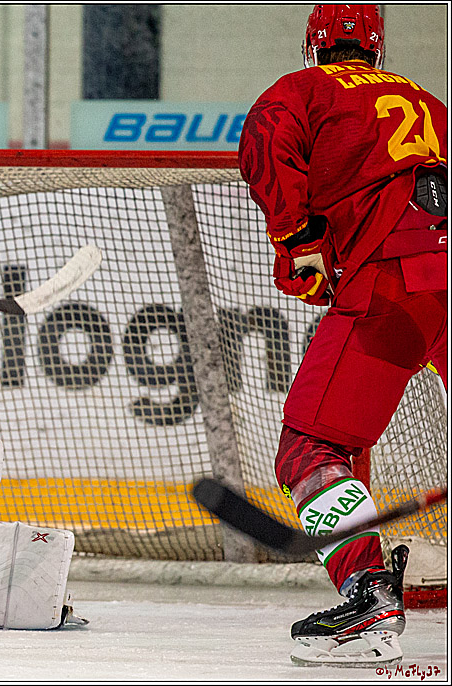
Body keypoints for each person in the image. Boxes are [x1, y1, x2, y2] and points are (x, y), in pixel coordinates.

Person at [238, 4, 446, 667]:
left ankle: (366, 595)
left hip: (397, 284)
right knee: (343, 440)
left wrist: (299, 244)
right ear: (377, 50)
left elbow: (267, 150)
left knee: (310, 448)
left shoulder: (301, 91)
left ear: (314, 47)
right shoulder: (430, 102)